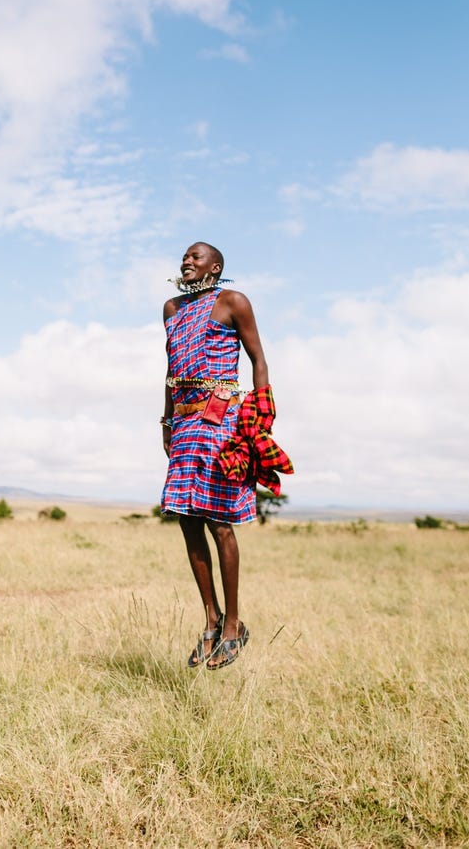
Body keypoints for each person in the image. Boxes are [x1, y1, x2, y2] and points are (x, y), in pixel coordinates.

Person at [160, 242, 269, 671]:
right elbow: (169, 370)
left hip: (222, 420)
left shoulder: (233, 302)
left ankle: (234, 625)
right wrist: (166, 422)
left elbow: (258, 359)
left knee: (219, 521)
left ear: (216, 266)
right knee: (187, 520)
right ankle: (210, 619)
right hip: (185, 423)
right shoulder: (171, 309)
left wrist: (262, 417)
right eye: (184, 257)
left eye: (196, 257)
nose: (187, 261)